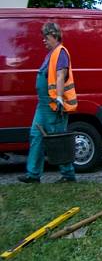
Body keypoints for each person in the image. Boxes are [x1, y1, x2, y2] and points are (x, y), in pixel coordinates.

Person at [18, 22, 78, 183]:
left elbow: (60, 76)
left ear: (54, 36)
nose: (43, 40)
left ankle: (68, 175)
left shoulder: (61, 52)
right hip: (43, 105)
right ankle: (33, 174)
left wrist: (59, 98)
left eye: (46, 37)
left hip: (53, 104)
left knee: (58, 139)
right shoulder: (50, 54)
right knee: (36, 136)